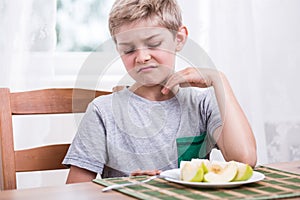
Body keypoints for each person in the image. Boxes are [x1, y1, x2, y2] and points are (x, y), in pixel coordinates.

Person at [63, 0, 257, 184]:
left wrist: (219, 80)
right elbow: (77, 188)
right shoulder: (103, 111)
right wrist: (127, 185)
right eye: (129, 50)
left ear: (178, 39)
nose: (142, 57)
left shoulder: (203, 103)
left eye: (154, 43)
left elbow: (245, 160)